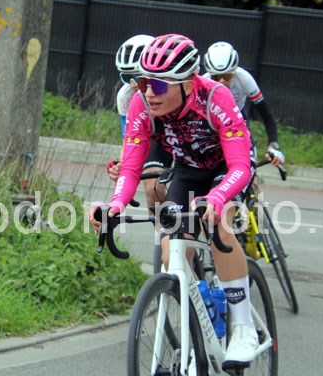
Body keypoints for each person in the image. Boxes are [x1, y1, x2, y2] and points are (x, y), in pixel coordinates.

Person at [91, 33, 259, 365]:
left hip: (228, 169)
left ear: (187, 84)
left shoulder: (216, 97)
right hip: (187, 169)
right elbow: (131, 166)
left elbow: (240, 166)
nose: (149, 92)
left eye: (159, 85)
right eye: (143, 83)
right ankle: (200, 325)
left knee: (220, 224)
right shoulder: (142, 104)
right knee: (171, 250)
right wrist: (115, 205)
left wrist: (218, 197)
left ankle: (243, 326)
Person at [108, 34, 172, 213]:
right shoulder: (126, 96)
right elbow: (129, 139)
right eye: (126, 77)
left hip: (185, 135)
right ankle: (165, 228)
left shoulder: (172, 87)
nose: (133, 84)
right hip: (157, 140)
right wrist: (121, 166)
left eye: (137, 76)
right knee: (153, 189)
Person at [203, 42, 285, 166]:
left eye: (227, 76)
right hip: (213, 121)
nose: (221, 81)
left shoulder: (244, 78)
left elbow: (267, 116)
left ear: (234, 71)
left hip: (239, 118)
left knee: (250, 165)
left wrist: (273, 145)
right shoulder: (203, 83)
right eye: (216, 77)